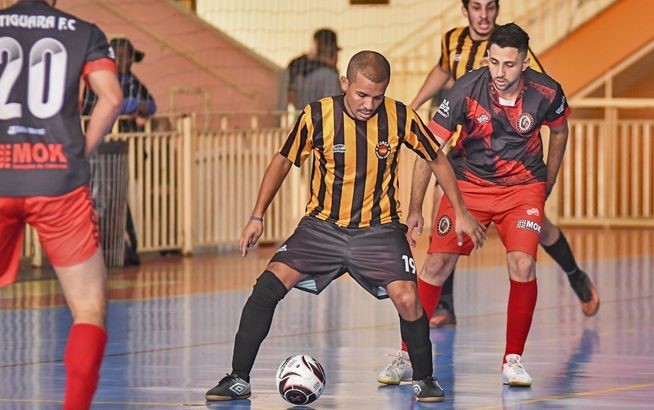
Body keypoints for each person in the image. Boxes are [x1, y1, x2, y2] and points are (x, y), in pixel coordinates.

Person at [204, 50, 486, 403]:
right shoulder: (316, 116)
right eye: (361, 95)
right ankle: (238, 379)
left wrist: (459, 209)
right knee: (265, 290)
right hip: (321, 229)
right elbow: (282, 161)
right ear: (345, 84)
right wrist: (257, 215)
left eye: (377, 97)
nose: (369, 104)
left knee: (408, 299)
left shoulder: (400, 116)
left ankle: (425, 378)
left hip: (379, 231)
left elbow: (437, 158)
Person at [381, 23, 570, 388]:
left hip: (523, 188)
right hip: (467, 186)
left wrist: (549, 181)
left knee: (523, 263)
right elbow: (428, 148)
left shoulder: (547, 92)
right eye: (494, 62)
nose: (500, 73)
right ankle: (406, 355)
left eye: (509, 65)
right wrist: (415, 208)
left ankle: (512, 360)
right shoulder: (466, 88)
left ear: (525, 63)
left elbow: (560, 130)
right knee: (435, 265)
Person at [410, 0, 599, 329]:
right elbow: (443, 70)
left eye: (490, 8)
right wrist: (414, 103)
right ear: (465, 10)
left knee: (541, 230)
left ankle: (574, 274)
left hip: (515, 167)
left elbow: (543, 100)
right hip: (468, 157)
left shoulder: (514, 50)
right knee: (449, 218)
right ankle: (446, 304)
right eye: (476, 8)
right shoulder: (452, 41)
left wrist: (544, 181)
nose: (483, 16)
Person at [0, 1, 122, 409]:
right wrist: (80, 153)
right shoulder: (83, 31)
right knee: (88, 307)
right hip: (58, 178)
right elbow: (111, 97)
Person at [82, 37, 157, 265]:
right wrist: (132, 106)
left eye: (127, 57)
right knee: (100, 199)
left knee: (117, 198)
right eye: (120, 56)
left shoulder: (132, 82)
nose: (124, 61)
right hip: (99, 149)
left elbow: (151, 105)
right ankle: (99, 248)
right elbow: (105, 104)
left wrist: (139, 106)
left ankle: (123, 245)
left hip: (122, 152)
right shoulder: (101, 79)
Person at [286, 28, 342, 109]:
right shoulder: (330, 76)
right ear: (331, 52)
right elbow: (334, 107)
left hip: (302, 119)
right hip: (323, 120)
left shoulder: (298, 70)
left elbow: (291, 96)